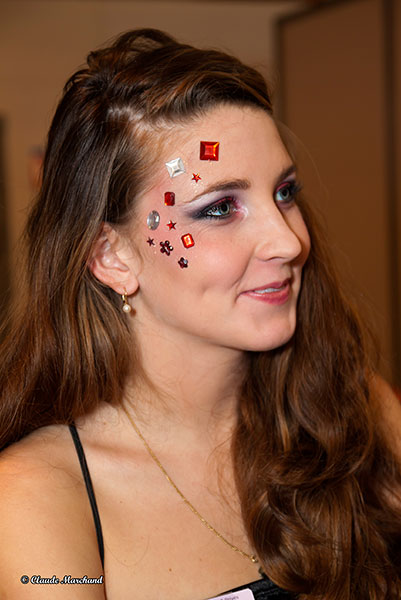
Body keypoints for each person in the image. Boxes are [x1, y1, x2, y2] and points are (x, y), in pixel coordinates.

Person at [0, 28, 400, 600]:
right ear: (111, 256)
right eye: (219, 208)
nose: (288, 242)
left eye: (285, 193)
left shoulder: (355, 411)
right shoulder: (37, 498)